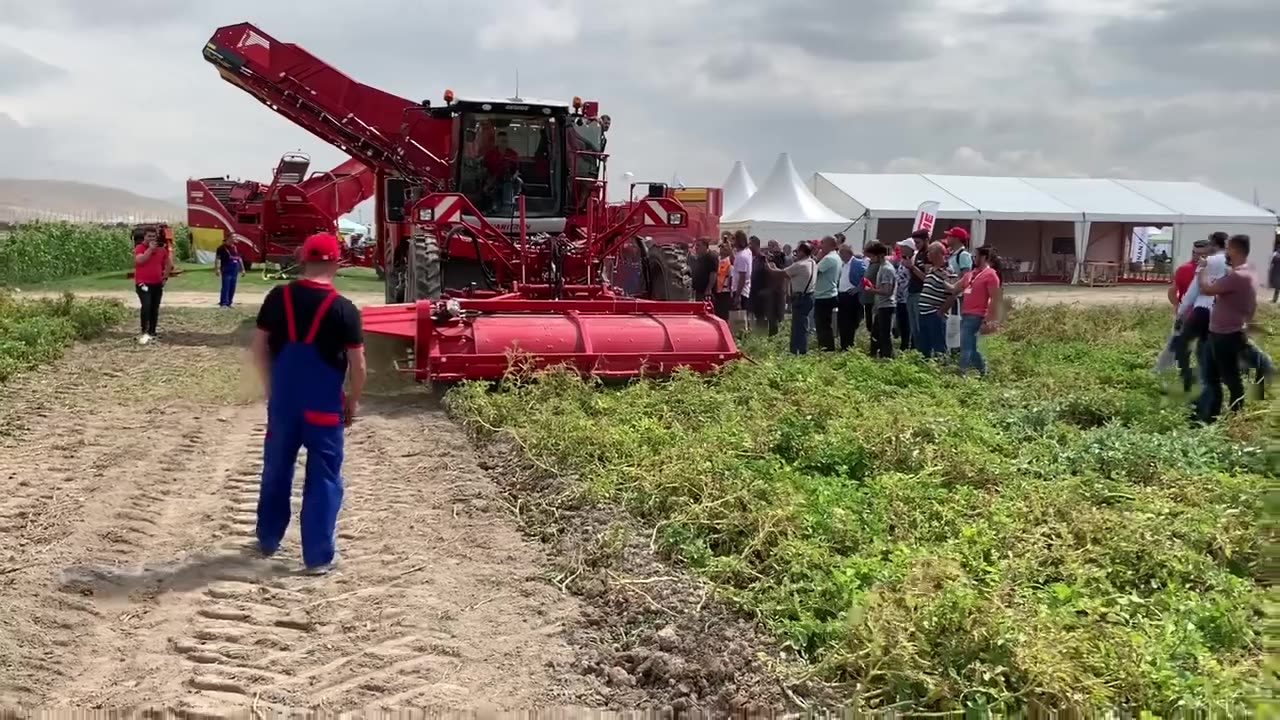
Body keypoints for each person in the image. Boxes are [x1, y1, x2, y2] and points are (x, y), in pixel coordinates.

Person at [251, 232, 367, 574]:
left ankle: (268, 539)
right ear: (337, 262)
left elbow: (259, 349)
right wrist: (353, 401)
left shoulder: (277, 298)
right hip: (324, 410)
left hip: (284, 405)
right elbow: (358, 366)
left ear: (302, 259)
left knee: (276, 469)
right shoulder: (344, 310)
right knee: (324, 478)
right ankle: (317, 557)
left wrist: (272, 389)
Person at [1195, 234, 1256, 423]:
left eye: (1228, 249)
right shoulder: (1244, 273)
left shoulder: (1238, 276)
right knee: (1215, 377)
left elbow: (1206, 289)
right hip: (1224, 333)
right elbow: (1251, 306)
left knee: (1231, 380)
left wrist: (1201, 270)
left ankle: (1234, 418)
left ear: (1236, 250)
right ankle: (1213, 417)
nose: (1226, 252)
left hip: (1225, 335)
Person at [957, 246, 1002, 377]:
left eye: (976, 256)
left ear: (984, 258)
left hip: (976, 316)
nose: (973, 259)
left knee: (965, 347)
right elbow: (954, 288)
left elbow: (995, 298)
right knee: (971, 348)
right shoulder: (970, 275)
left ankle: (961, 373)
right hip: (965, 315)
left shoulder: (991, 275)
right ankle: (983, 371)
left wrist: (988, 319)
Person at [767, 243, 816, 354]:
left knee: (798, 327)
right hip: (809, 296)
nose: (795, 254)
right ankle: (801, 349)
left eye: (797, 251)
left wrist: (769, 265)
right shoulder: (812, 262)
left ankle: (797, 351)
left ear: (802, 252)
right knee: (803, 324)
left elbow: (779, 274)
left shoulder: (800, 265)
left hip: (800, 298)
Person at [917, 241, 961, 358]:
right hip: (924, 313)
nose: (927, 255)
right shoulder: (932, 269)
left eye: (930, 252)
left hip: (934, 315)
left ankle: (941, 367)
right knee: (924, 346)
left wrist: (941, 312)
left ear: (938, 254)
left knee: (938, 346)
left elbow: (952, 294)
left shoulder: (948, 271)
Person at [133, 226, 172, 345]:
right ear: (144, 236)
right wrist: (149, 249)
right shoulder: (140, 248)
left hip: (157, 283)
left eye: (153, 236)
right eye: (149, 236)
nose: (151, 238)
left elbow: (169, 264)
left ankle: (152, 331)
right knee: (146, 305)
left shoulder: (161, 250)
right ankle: (144, 330)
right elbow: (140, 260)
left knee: (154, 307)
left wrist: (165, 277)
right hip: (143, 283)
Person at [863, 242, 897, 358]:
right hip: (880, 306)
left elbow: (887, 291)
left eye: (873, 256)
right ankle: (877, 355)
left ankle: (886, 356)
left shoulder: (887, 269)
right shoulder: (882, 267)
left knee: (884, 335)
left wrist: (872, 290)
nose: (871, 259)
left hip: (886, 306)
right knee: (876, 333)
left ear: (881, 255)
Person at [812, 236, 841, 351]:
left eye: (823, 243)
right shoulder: (836, 257)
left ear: (830, 244)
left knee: (822, 325)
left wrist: (817, 259)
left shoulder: (829, 258)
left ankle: (826, 348)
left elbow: (814, 272)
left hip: (824, 295)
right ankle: (826, 347)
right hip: (829, 294)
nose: (820, 246)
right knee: (824, 324)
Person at [836, 244, 866, 350]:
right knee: (842, 322)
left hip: (851, 297)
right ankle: (843, 345)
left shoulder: (857, 263)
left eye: (842, 253)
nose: (840, 255)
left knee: (850, 323)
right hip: (841, 296)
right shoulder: (842, 264)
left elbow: (865, 277)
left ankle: (849, 345)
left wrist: (857, 289)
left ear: (848, 253)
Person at [904, 229, 929, 348]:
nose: (916, 245)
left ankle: (924, 353)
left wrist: (912, 267)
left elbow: (927, 278)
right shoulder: (917, 254)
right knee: (913, 328)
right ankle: (917, 352)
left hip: (921, 294)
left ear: (926, 240)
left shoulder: (928, 255)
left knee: (920, 327)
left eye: (918, 242)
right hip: (912, 292)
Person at [748, 236, 778, 335]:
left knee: (768, 316)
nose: (749, 246)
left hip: (764, 292)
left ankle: (769, 337)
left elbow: (773, 275)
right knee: (758, 316)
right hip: (755, 292)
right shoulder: (754, 259)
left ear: (756, 244)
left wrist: (769, 289)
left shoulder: (764, 259)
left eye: (751, 244)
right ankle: (760, 335)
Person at [893, 240, 915, 351]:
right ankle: (904, 344)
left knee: (908, 324)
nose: (900, 249)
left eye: (903, 247)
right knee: (902, 324)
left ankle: (909, 346)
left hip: (908, 297)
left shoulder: (913, 260)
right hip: (899, 298)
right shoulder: (902, 260)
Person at [214, 236, 247, 308]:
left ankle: (229, 302)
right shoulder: (221, 248)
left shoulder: (235, 247)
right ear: (228, 239)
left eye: (235, 239)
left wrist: (243, 269)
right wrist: (217, 269)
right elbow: (218, 259)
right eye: (233, 239)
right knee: (226, 286)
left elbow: (239, 258)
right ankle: (224, 303)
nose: (235, 240)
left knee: (232, 286)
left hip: (235, 269)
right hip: (226, 268)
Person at [730, 231, 753, 332]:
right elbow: (736, 263)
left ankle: (741, 333)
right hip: (744, 289)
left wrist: (737, 295)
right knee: (743, 314)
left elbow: (742, 277)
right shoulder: (746, 252)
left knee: (740, 315)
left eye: (734, 239)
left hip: (741, 290)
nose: (732, 241)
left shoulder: (742, 256)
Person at [690, 237, 718, 302]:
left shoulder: (711, 257)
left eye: (698, 245)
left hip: (706, 292)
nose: (696, 247)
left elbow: (713, 274)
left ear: (705, 246)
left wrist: (708, 289)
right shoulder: (699, 257)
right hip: (698, 291)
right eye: (696, 245)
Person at [713, 241, 733, 321]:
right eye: (721, 248)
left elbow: (731, 277)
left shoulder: (729, 261)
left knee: (724, 314)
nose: (722, 250)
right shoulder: (717, 260)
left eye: (724, 248)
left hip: (725, 291)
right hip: (717, 290)